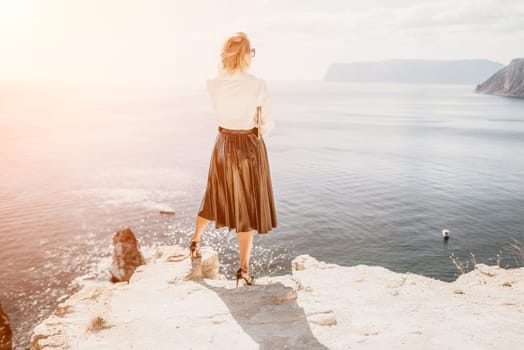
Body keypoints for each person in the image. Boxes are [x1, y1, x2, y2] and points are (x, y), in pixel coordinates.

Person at [188, 32, 277, 287]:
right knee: (246, 208)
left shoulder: (213, 84)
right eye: (252, 52)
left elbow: (223, 89)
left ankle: (194, 242)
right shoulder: (258, 84)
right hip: (248, 146)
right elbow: (266, 124)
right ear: (246, 54)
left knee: (214, 196)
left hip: (223, 144)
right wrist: (258, 123)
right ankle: (243, 270)